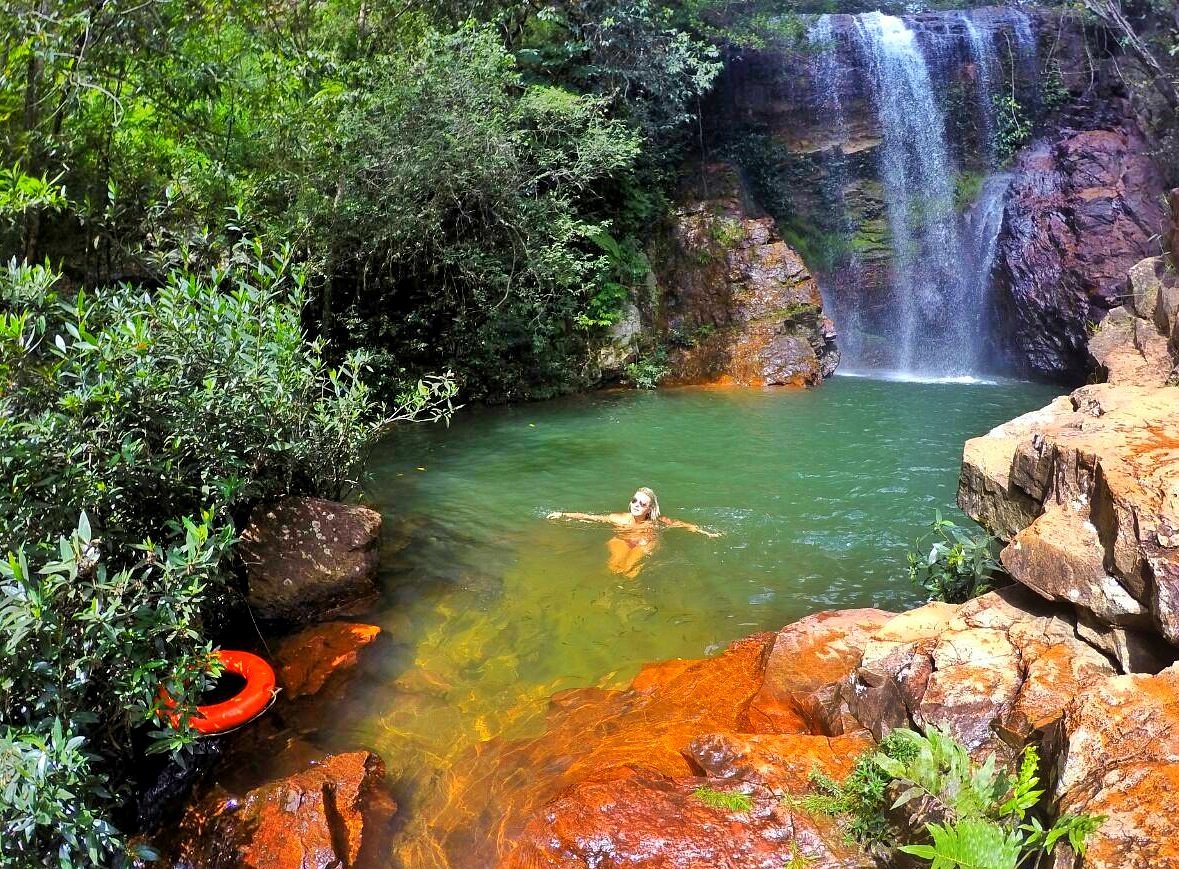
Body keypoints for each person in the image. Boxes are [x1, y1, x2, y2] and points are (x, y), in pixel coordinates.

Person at [547, 487, 720, 578]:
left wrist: (705, 532)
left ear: (650, 508)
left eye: (642, 503)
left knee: (630, 571)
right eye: (634, 500)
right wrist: (562, 514)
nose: (637, 504)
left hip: (644, 543)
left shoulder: (658, 521)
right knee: (614, 568)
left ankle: (632, 596)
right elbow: (591, 517)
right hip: (623, 540)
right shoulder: (618, 518)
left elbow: (681, 524)